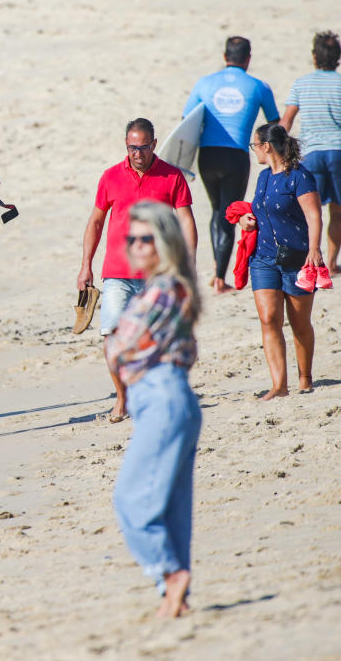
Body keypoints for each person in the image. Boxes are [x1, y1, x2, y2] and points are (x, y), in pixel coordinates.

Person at [106, 200, 202, 620]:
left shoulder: (164, 289)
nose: (138, 246)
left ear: (165, 242)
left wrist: (118, 349)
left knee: (131, 498)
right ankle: (173, 593)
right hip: (166, 397)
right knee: (173, 505)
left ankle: (168, 573)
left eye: (147, 239)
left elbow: (121, 346)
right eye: (133, 239)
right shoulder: (166, 288)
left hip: (162, 396)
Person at [78, 118, 197, 423]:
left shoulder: (172, 177)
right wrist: (85, 267)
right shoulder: (110, 177)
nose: (137, 154)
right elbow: (95, 222)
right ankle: (122, 398)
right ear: (126, 145)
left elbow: (186, 221)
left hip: (158, 274)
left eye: (143, 147)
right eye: (132, 148)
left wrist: (188, 265)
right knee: (113, 335)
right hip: (117, 272)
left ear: (154, 145)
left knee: (157, 339)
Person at [183, 36, 279, 294]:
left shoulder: (204, 83)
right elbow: (274, 124)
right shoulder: (258, 86)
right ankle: (218, 278)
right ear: (248, 59)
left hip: (207, 155)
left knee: (217, 210)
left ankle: (217, 270)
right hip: (235, 156)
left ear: (225, 57)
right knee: (229, 213)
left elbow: (186, 121)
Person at [237, 122, 323, 400]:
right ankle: (279, 385)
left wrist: (314, 250)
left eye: (255, 146)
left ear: (267, 146)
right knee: (268, 320)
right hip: (262, 258)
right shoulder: (263, 177)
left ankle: (305, 376)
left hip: (298, 258)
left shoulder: (299, 176)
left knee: (299, 324)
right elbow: (258, 209)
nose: (254, 152)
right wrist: (245, 219)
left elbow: (313, 216)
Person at [281, 31, 341, 274]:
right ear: (337, 58)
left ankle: (310, 256)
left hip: (311, 153)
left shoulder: (302, 83)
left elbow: (286, 121)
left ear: (315, 57)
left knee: (309, 210)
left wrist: (281, 151)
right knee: (337, 211)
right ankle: (332, 262)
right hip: (338, 152)